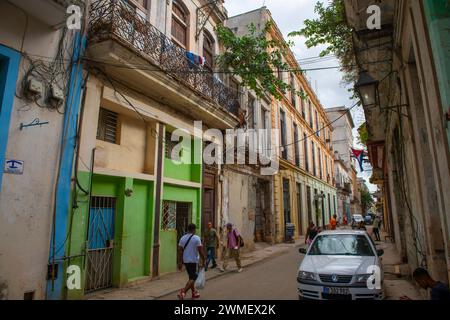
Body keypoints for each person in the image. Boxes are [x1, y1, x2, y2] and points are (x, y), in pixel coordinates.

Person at [177, 223, 206, 300]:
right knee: (194, 277)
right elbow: (200, 250)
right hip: (193, 260)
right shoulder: (196, 238)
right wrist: (203, 260)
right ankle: (183, 291)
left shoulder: (182, 238)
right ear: (194, 230)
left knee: (191, 277)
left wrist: (179, 262)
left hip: (185, 260)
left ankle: (194, 293)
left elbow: (180, 250)